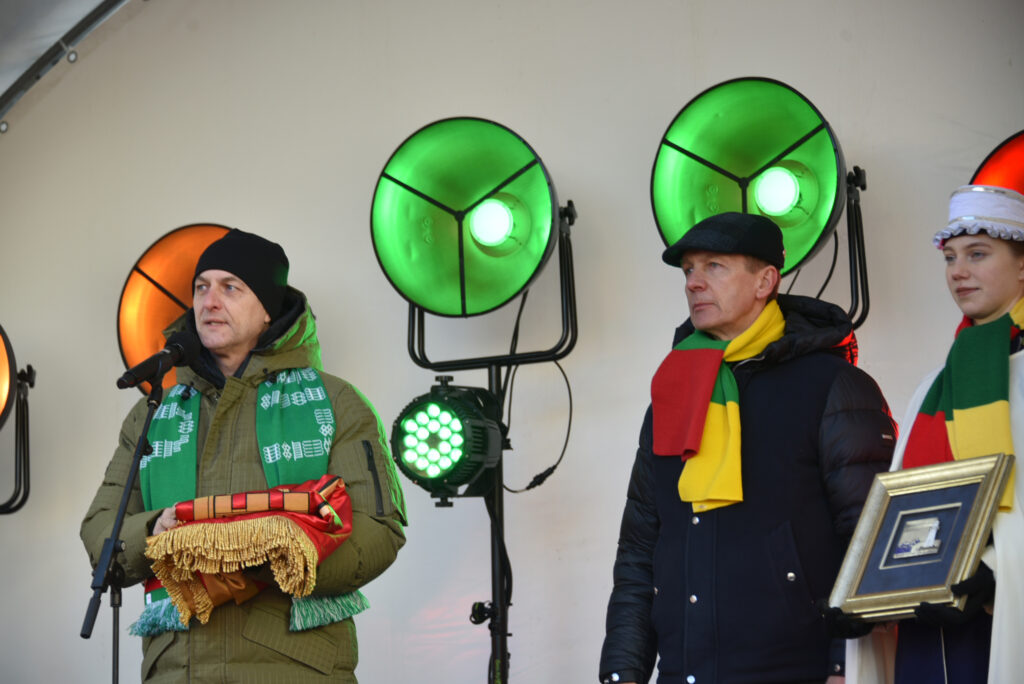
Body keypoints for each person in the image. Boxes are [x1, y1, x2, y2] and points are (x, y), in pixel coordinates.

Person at [81, 229, 407, 683]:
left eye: (230, 287)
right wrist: (155, 530)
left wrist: (275, 550)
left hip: (295, 670)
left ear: (268, 309)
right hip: (177, 670)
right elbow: (101, 531)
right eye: (201, 287)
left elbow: (378, 531)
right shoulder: (152, 412)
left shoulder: (337, 403)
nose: (209, 302)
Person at [598, 212, 896, 684]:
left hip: (797, 671)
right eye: (688, 270)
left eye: (714, 266)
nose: (694, 282)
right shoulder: (673, 392)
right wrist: (623, 670)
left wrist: (844, 665)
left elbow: (871, 537)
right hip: (684, 672)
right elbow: (640, 548)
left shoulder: (833, 385)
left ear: (765, 281)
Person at [847, 185, 1024, 684]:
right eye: (950, 258)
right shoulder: (933, 386)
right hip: (925, 623)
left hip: (999, 622)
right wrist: (863, 592)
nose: (958, 271)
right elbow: (904, 509)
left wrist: (994, 572)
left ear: (1022, 265)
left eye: (977, 254)